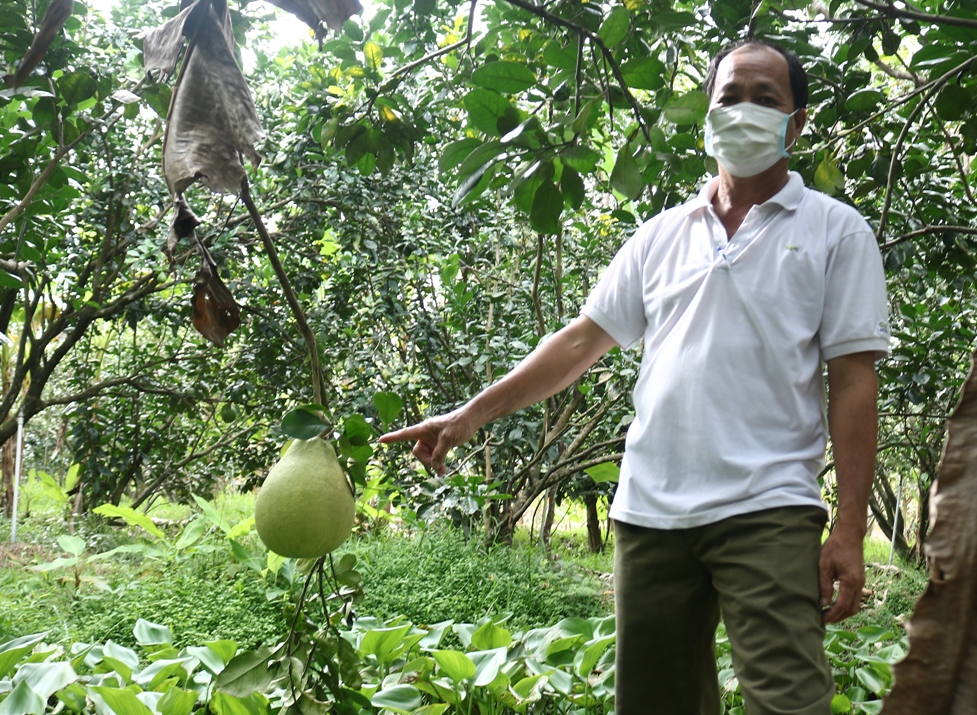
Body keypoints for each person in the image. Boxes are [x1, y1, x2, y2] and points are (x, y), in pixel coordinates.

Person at [380, 39, 889, 715]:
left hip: (768, 506)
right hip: (651, 513)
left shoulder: (835, 231)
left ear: (795, 124)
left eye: (765, 100)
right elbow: (578, 343)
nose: (743, 112)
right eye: (728, 97)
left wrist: (850, 526)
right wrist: (468, 415)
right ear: (707, 114)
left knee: (790, 702)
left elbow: (854, 382)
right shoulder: (660, 235)